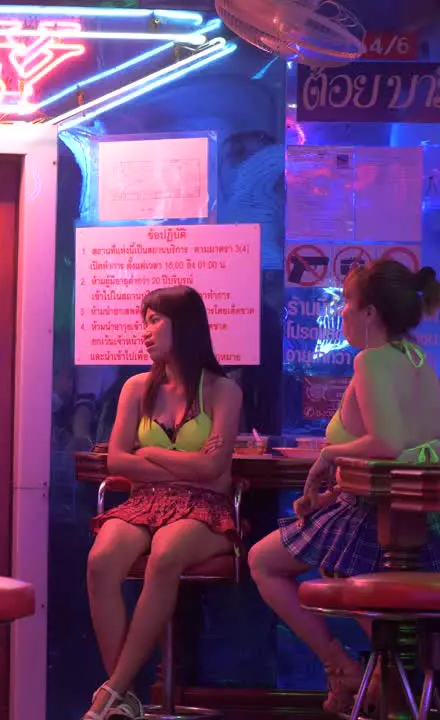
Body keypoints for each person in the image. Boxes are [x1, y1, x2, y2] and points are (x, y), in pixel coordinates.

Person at [248, 259, 440, 715]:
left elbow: (388, 444)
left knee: (263, 562)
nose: (342, 313)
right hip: (408, 516)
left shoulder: (371, 359)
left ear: (370, 312)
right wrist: (331, 488)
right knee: (341, 574)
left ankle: (344, 669)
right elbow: (409, 448)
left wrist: (329, 455)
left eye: (348, 302)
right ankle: (385, 683)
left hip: (379, 518)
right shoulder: (416, 359)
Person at [83, 286, 242, 720]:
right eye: (144, 321)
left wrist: (149, 454)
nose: (146, 332)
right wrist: (180, 463)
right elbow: (117, 459)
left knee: (167, 554)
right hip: (145, 502)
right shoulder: (136, 387)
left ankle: (113, 690)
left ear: (184, 326)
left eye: (156, 321)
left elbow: (215, 470)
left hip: (204, 507)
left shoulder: (223, 390)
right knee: (101, 560)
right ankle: (127, 695)